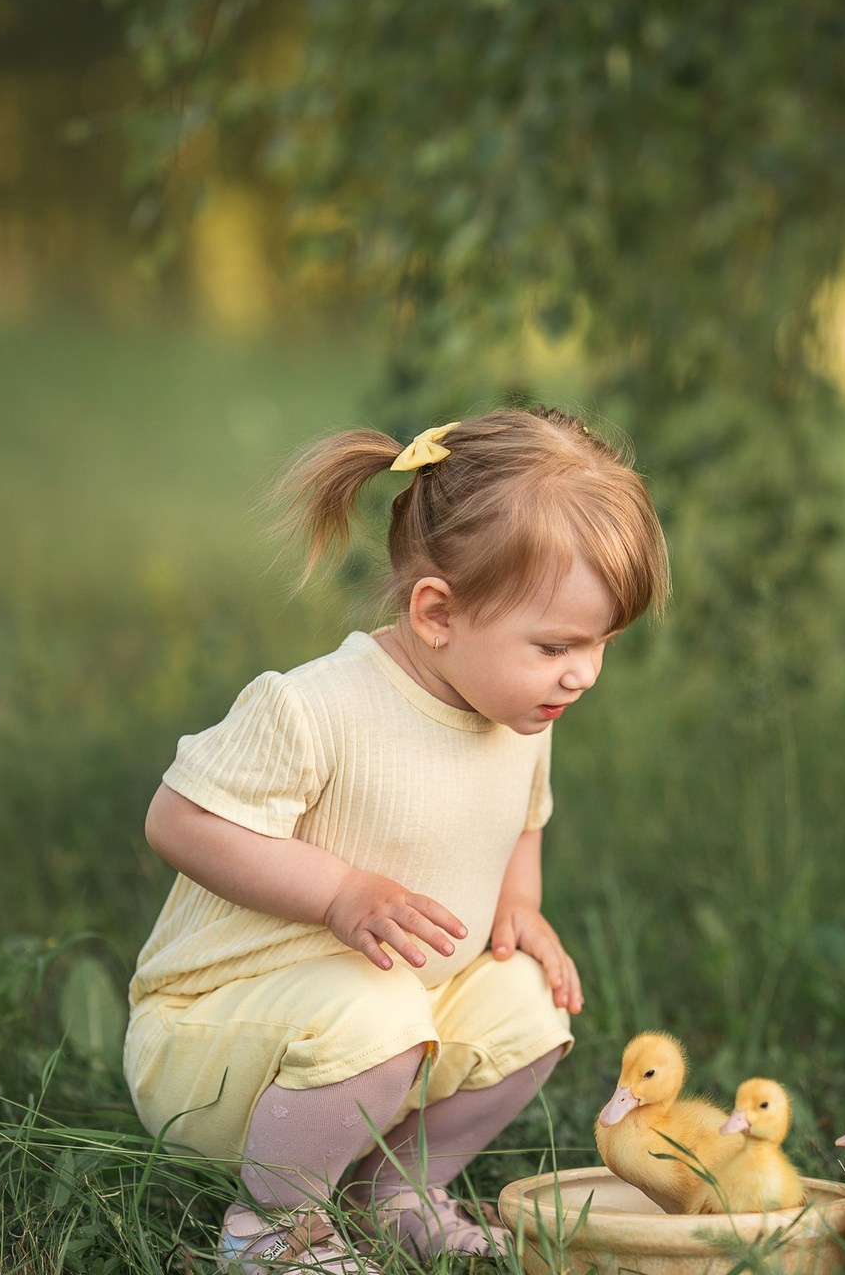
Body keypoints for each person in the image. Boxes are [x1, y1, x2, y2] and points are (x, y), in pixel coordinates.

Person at [124, 406, 670, 1274]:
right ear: (437, 612)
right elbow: (179, 820)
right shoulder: (316, 709)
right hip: (219, 1039)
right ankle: (273, 1226)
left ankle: (393, 1191)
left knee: (530, 1000)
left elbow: (523, 817)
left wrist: (520, 903)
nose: (583, 673)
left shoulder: (519, 712)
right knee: (373, 1011)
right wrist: (338, 892)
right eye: (556, 645)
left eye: (601, 643)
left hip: (387, 1026)